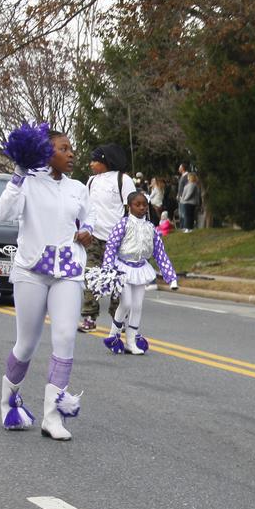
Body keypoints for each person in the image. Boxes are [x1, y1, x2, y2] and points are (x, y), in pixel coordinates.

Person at [0, 129, 94, 440]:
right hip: (31, 270)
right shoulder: (28, 182)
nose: (71, 154)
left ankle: (53, 417)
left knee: (65, 336)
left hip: (68, 270)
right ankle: (9, 403)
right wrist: (18, 174)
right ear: (45, 151)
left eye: (71, 148)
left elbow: (87, 220)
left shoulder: (79, 188)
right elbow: (4, 212)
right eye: (64, 148)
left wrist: (87, 231)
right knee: (26, 345)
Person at [101, 191, 179, 354]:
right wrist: (108, 268)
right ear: (129, 206)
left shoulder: (151, 228)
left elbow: (160, 253)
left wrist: (170, 277)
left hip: (140, 269)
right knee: (126, 303)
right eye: (138, 204)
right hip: (122, 268)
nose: (142, 207)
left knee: (137, 306)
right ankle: (113, 335)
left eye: (144, 205)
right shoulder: (123, 224)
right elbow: (111, 246)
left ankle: (131, 341)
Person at [79, 144, 135, 332]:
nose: (91, 164)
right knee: (90, 277)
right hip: (94, 237)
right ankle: (89, 317)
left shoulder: (123, 180)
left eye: (95, 160)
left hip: (117, 239)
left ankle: (118, 319)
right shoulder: (91, 182)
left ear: (105, 161)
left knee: (118, 281)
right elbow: (85, 208)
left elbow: (134, 207)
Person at [176, 162, 189, 227]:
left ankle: (185, 226)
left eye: (180, 167)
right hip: (180, 197)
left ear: (183, 168)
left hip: (183, 198)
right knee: (180, 213)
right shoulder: (182, 176)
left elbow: (186, 187)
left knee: (183, 213)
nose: (179, 169)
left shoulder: (186, 176)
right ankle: (182, 226)